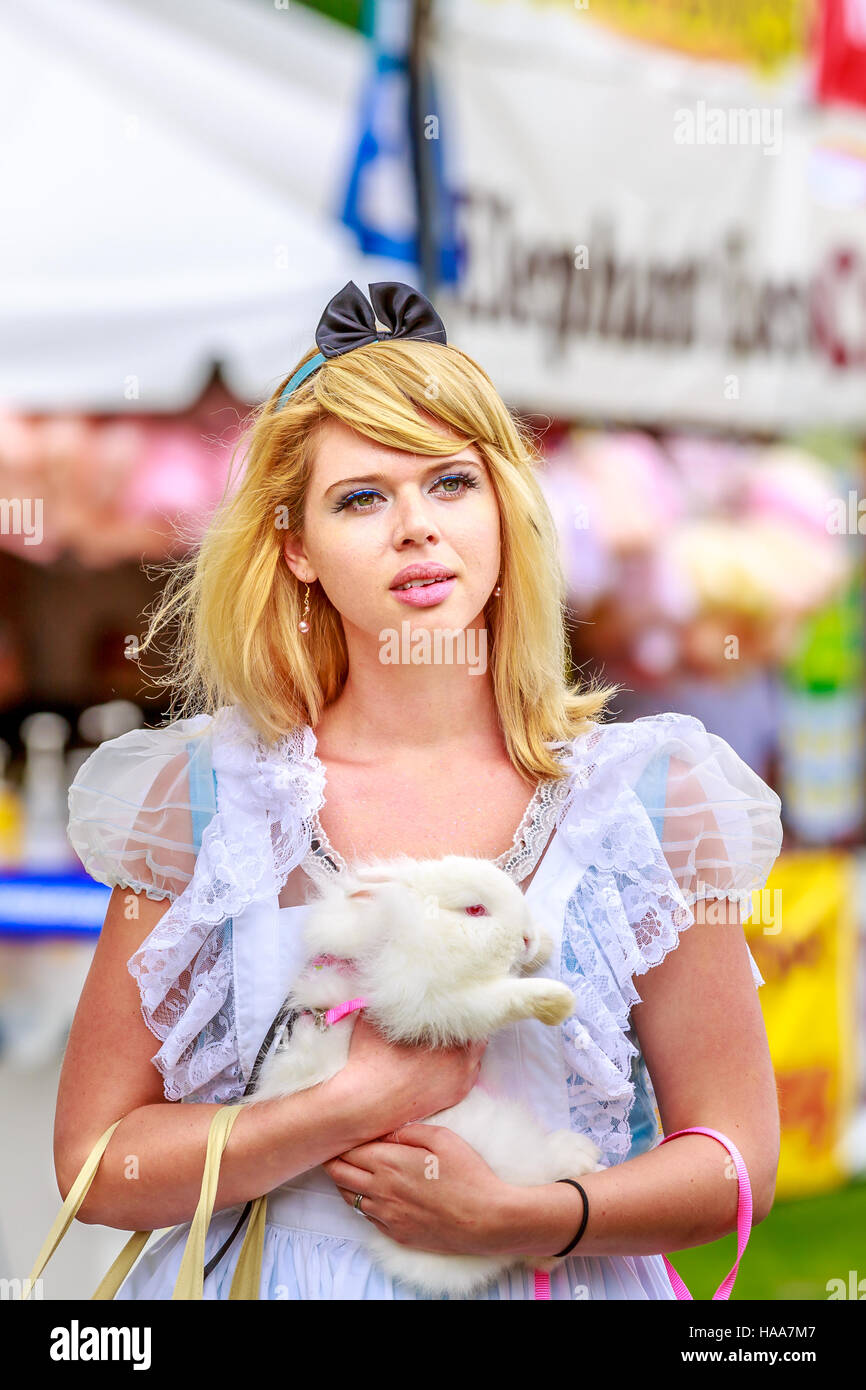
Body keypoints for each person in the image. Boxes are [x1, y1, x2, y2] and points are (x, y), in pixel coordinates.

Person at [55, 282, 783, 1300]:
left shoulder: (648, 798)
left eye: (450, 482)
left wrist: (524, 1217)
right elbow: (96, 1162)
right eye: (360, 496)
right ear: (296, 547)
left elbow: (735, 1157)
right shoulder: (208, 800)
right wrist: (344, 1105)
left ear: (502, 505)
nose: (415, 527)